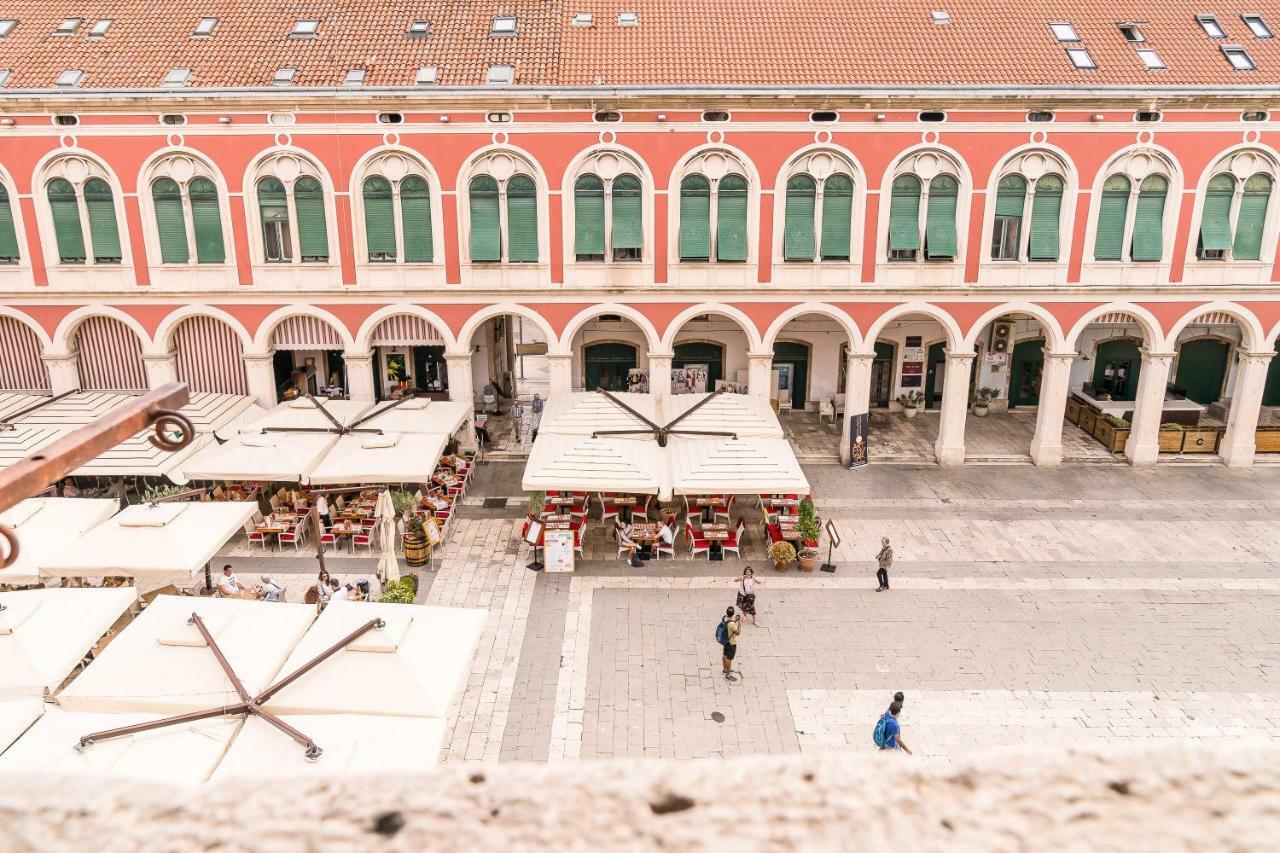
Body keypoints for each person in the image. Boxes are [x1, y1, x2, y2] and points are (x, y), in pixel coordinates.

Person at [718, 606, 741, 681]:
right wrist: (739, 624)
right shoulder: (732, 624)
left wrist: (735, 621)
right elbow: (737, 633)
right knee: (729, 659)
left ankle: (725, 669)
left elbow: (730, 623)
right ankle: (728, 675)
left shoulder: (725, 618)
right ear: (733, 614)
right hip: (731, 643)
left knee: (724, 655)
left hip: (726, 641)